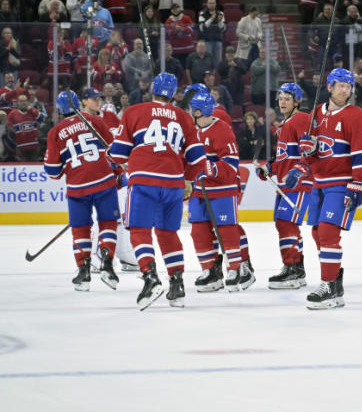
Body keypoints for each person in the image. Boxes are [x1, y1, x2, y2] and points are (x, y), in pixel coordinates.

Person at [108, 72, 208, 309]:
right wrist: (189, 180)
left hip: (144, 179)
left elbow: (119, 154)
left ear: (152, 89)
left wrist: (111, 155)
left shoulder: (134, 111)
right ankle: (177, 284)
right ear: (174, 95)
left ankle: (150, 276)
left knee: (139, 230)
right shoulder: (183, 117)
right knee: (167, 233)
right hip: (173, 182)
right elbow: (198, 158)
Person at [296, 68, 362, 309]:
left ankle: (328, 285)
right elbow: (311, 153)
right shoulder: (316, 113)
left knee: (329, 233)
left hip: (341, 184)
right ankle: (335, 283)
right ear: (329, 86)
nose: (345, 90)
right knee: (317, 233)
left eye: (349, 86)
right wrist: (305, 155)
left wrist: (359, 183)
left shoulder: (356, 115)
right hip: (319, 183)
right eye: (341, 85)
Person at [43, 90, 121, 291]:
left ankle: (83, 272)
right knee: (108, 223)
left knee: (80, 229)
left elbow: (52, 171)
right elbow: (115, 150)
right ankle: (107, 265)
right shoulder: (93, 119)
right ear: (78, 104)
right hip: (104, 181)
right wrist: (118, 171)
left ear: (60, 110)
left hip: (77, 187)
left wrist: (64, 166)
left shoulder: (54, 132)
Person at [188, 92, 251, 293]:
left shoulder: (221, 130)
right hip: (198, 191)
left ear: (198, 111)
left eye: (192, 109)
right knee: (198, 230)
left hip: (222, 189)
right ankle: (210, 271)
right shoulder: (190, 131)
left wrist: (209, 168)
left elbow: (231, 165)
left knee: (226, 229)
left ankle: (235, 269)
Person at [258, 82, 312, 289]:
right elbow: (285, 158)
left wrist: (300, 169)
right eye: (280, 98)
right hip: (285, 183)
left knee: (285, 222)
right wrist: (269, 169)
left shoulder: (301, 119)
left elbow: (309, 152)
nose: (282, 102)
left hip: (298, 182)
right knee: (284, 223)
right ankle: (296, 268)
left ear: (297, 101)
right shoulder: (285, 124)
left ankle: (292, 268)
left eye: (287, 98)